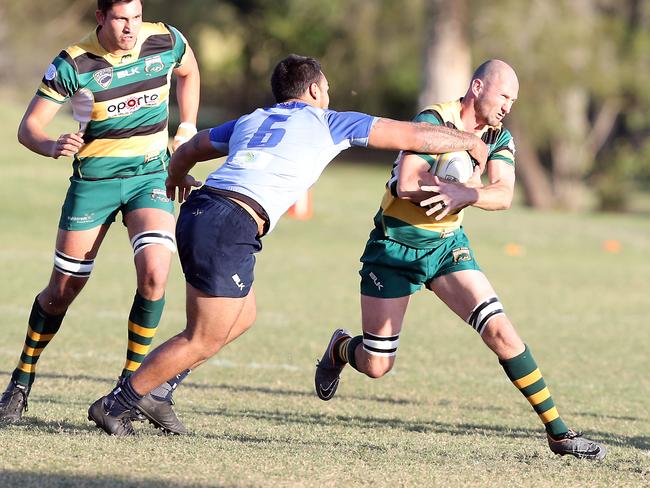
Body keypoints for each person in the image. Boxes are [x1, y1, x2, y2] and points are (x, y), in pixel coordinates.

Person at [86, 53, 491, 435]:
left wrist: (175, 179)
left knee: (241, 317)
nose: (329, 96)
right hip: (231, 222)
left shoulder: (254, 118)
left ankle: (156, 394)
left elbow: (192, 148)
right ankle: (118, 403)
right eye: (327, 88)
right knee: (203, 336)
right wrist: (467, 142)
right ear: (314, 91)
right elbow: (414, 134)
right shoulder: (330, 121)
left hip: (204, 212)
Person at [314, 59, 607, 460]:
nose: (508, 106)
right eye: (504, 95)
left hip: (447, 247)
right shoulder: (434, 119)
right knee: (377, 365)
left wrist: (465, 194)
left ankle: (558, 433)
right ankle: (341, 349)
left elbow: (503, 193)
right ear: (477, 87)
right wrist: (446, 187)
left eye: (514, 100)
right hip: (394, 248)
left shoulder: (499, 137)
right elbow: (407, 181)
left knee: (501, 333)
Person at [0, 0, 200, 435]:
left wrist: (186, 127)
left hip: (150, 176)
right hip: (94, 182)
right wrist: (51, 145)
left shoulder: (165, 39)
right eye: (120, 19)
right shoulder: (74, 62)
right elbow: (28, 127)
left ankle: (124, 392)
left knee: (154, 276)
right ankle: (21, 378)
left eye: (135, 16)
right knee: (62, 291)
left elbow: (188, 68)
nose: (130, 28)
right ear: (100, 19)